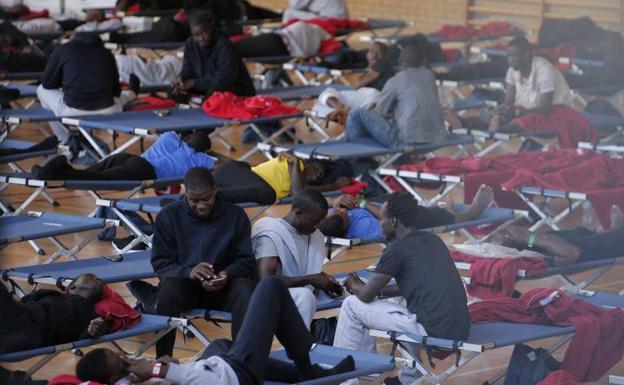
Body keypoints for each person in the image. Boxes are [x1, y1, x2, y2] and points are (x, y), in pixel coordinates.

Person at [74, 278, 354, 385]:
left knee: (220, 343)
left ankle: (311, 376)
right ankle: (310, 374)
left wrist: (161, 368)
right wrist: (159, 371)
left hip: (217, 363)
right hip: (234, 375)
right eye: (124, 362)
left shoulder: (128, 378)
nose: (129, 359)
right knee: (271, 288)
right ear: (113, 378)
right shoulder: (143, 376)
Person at [333, 192, 470, 385]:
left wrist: (354, 284)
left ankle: (344, 379)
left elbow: (364, 296)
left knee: (350, 304)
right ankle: (408, 376)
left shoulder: (396, 249)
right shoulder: (433, 240)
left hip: (433, 331)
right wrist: (374, 290)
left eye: (382, 218)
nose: (380, 223)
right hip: (458, 328)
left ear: (394, 221)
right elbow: (415, 285)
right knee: (397, 302)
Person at [133, 167, 256, 358]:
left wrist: (227, 274)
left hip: (223, 288)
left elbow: (246, 260)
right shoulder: (169, 216)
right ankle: (163, 359)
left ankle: (241, 359)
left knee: (245, 289)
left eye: (206, 199)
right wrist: (188, 272)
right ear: (185, 194)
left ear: (215, 190)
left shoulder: (235, 216)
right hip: (185, 288)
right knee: (168, 290)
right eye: (194, 200)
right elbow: (161, 264)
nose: (200, 206)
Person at [252, 189, 342, 328]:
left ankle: (349, 349)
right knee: (305, 296)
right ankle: (297, 347)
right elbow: (265, 281)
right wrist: (311, 279)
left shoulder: (313, 235)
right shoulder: (271, 232)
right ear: (298, 212)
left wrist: (324, 281)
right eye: (314, 221)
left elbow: (302, 271)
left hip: (300, 290)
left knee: (352, 295)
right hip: (269, 295)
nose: (317, 226)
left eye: (320, 221)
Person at [337, 43, 448, 148]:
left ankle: (350, 152)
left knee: (356, 113)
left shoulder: (395, 80)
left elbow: (379, 112)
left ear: (400, 62)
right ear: (423, 61)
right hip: (437, 138)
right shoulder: (429, 75)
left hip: (407, 141)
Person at [36, 32, 137, 142]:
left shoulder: (63, 50)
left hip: (73, 111)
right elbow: (116, 92)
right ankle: (133, 93)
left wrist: (65, 82)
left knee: (41, 90)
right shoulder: (106, 53)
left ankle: (65, 139)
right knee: (122, 97)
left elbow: (47, 83)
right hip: (108, 110)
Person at [489, 36, 592, 139]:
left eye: (514, 56)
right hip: (528, 109)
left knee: (526, 120)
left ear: (527, 54)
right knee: (501, 116)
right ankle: (494, 127)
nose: (510, 60)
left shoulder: (544, 70)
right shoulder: (512, 70)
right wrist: (500, 111)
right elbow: (509, 102)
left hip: (555, 111)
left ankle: (499, 131)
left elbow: (545, 109)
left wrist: (517, 112)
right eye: (508, 56)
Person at [30, 131, 225, 180]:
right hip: (144, 170)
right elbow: (224, 165)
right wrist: (212, 153)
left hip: (132, 158)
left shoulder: (170, 139)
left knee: (94, 170)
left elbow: (177, 133)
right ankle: (58, 172)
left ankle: (56, 169)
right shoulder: (200, 159)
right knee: (98, 179)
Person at [320, 185, 494, 239]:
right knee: (412, 212)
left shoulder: (332, 215)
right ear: (346, 223)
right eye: (340, 211)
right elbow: (388, 222)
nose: (339, 209)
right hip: (399, 222)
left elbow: (323, 203)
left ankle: (445, 211)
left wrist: (334, 201)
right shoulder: (362, 228)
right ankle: (470, 214)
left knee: (393, 198)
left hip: (377, 203)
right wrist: (363, 203)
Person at [0, 274, 110, 354]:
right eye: (92, 278)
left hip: (34, 337)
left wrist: (92, 331)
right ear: (71, 287)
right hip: (21, 316)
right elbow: (21, 304)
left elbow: (82, 337)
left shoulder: (93, 317)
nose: (98, 279)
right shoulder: (48, 293)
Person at [491, 205, 624, 266]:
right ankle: (615, 231)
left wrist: (529, 237)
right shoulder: (535, 256)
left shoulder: (530, 243)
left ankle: (613, 229)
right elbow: (573, 253)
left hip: (590, 238)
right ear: (514, 241)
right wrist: (529, 237)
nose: (508, 227)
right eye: (506, 231)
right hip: (604, 247)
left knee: (582, 234)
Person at [172, 10, 255, 100]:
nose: (201, 38)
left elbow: (223, 78)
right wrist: (182, 78)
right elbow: (188, 68)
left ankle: (203, 106)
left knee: (213, 94)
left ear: (211, 28)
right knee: (174, 91)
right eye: (196, 35)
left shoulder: (223, 44)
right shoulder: (190, 43)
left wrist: (194, 83)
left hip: (234, 88)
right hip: (207, 85)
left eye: (204, 33)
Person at [213, 152, 352, 205]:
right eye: (316, 168)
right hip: (235, 174)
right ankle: (212, 195)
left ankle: (211, 194)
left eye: (319, 176)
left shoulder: (299, 181)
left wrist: (335, 185)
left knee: (267, 194)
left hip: (234, 180)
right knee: (268, 194)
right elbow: (298, 193)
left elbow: (303, 190)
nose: (316, 174)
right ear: (308, 163)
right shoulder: (295, 162)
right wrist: (297, 162)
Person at [313, 42, 395, 118]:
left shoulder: (382, 63)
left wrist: (345, 88)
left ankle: (342, 110)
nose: (371, 54)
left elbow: (359, 83)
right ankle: (342, 110)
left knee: (327, 93)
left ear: (380, 55)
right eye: (371, 51)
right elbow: (361, 81)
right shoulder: (378, 65)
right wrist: (370, 64)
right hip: (369, 97)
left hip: (373, 95)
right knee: (324, 101)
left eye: (375, 51)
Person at [233, 21, 330, 59]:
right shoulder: (316, 33)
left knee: (233, 49)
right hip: (280, 42)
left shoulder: (306, 26)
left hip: (280, 43)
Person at [282, 0, 348, 22]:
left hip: (330, 20)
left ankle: (283, 40)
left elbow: (295, 5)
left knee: (289, 13)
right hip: (340, 18)